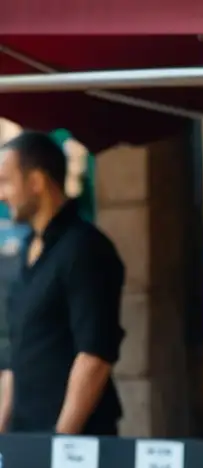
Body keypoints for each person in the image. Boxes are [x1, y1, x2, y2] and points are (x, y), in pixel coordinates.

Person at [0, 131, 125, 436]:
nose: (1, 194)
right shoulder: (26, 251)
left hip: (74, 446)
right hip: (25, 441)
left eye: (5, 181)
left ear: (36, 182)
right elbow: (15, 360)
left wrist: (61, 443)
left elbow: (95, 356)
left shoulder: (85, 248)